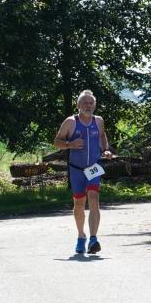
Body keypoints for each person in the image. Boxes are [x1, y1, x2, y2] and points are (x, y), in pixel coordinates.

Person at [53, 90, 113, 254]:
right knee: (79, 203)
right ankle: (81, 236)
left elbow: (102, 136)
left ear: (94, 105)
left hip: (93, 167)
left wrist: (106, 150)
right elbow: (57, 141)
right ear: (78, 105)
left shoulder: (98, 121)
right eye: (85, 103)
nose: (88, 106)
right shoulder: (70, 122)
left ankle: (93, 239)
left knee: (93, 198)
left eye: (91, 103)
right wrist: (69, 145)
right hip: (76, 169)